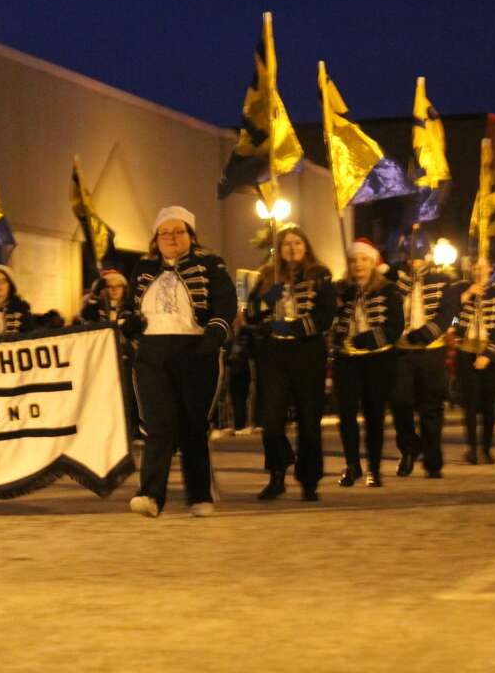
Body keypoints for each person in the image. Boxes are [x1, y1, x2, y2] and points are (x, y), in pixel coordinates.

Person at [126, 206, 236, 518]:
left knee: (192, 425)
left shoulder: (211, 264)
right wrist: (128, 325)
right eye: (165, 232)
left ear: (190, 235)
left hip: (195, 349)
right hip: (152, 353)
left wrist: (213, 337)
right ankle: (150, 494)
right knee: (158, 424)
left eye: (179, 231)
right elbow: (127, 306)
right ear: (156, 238)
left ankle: (199, 495)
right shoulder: (144, 267)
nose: (172, 237)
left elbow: (225, 302)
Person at [245, 225, 336, 501]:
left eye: (297, 243)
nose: (292, 248)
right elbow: (250, 314)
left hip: (307, 352)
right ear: (279, 249)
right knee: (271, 422)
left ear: (306, 246)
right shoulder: (265, 277)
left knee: (309, 422)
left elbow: (326, 315)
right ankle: (277, 473)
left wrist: (296, 329)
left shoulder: (320, 276)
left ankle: (309, 480)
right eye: (287, 244)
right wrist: (267, 300)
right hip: (274, 355)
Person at [331, 239, 404, 486]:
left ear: (372, 262)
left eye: (363, 259)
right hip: (346, 359)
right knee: (347, 414)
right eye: (353, 260)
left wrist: (368, 339)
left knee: (374, 415)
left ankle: (374, 467)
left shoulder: (389, 290)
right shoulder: (342, 290)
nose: (358, 264)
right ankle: (352, 465)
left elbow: (395, 327)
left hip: (378, 360)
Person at [388, 236, 460, 477]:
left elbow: (450, 313)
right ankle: (408, 448)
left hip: (431, 351)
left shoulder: (442, 281)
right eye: (410, 258)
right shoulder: (394, 283)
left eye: (418, 257)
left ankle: (433, 459)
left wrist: (431, 331)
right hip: (402, 351)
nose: (414, 262)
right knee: (400, 403)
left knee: (431, 407)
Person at [451, 259, 495, 464]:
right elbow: (453, 319)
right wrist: (466, 297)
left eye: (482, 267)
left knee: (487, 405)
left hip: (488, 354)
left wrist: (488, 355)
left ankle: (486, 448)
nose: (478, 271)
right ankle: (472, 449)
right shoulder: (460, 290)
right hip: (466, 351)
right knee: (469, 405)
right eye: (475, 268)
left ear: (490, 269)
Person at [80, 269, 140, 439]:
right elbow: (86, 317)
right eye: (109, 286)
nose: (113, 290)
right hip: (101, 359)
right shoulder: (96, 307)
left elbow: (134, 330)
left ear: (124, 288)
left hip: (125, 359)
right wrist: (95, 295)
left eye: (117, 286)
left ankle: (130, 429)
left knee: (127, 395)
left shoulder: (131, 307)